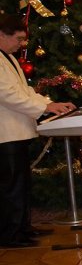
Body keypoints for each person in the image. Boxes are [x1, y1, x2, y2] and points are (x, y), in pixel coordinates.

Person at [0, 16, 74, 248]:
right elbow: (8, 95)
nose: (22, 44)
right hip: (5, 133)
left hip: (18, 131)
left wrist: (49, 104)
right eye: (18, 39)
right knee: (10, 186)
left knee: (21, 183)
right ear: (1, 35)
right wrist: (44, 108)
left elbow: (25, 91)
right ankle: (10, 234)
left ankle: (23, 227)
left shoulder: (8, 58)